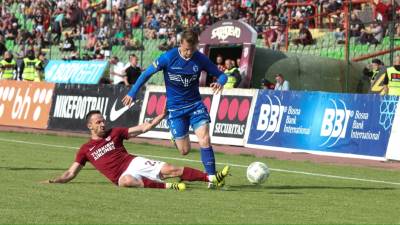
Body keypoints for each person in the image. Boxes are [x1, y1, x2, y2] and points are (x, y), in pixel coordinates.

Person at [122, 29, 230, 188]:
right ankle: (176, 138)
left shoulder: (200, 59)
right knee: (184, 151)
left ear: (196, 46)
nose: (188, 53)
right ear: (180, 44)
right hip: (176, 109)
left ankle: (212, 178)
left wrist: (220, 82)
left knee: (205, 139)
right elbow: (146, 74)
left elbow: (222, 75)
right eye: (186, 49)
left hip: (195, 105)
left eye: (192, 50)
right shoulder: (168, 57)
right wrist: (132, 92)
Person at [42, 110, 229, 190]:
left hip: (133, 162)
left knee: (171, 170)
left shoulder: (115, 133)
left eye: (103, 120)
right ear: (89, 126)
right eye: (98, 122)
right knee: (126, 181)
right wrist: (55, 181)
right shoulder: (85, 150)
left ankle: (210, 177)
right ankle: (168, 186)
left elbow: (142, 128)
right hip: (120, 176)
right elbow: (70, 173)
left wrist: (162, 115)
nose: (102, 123)